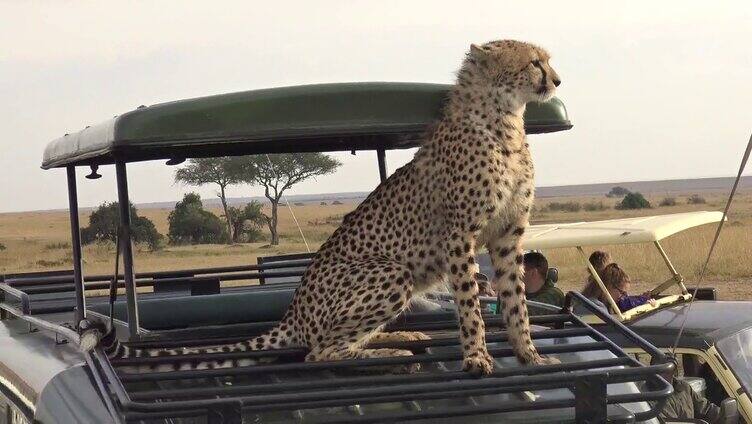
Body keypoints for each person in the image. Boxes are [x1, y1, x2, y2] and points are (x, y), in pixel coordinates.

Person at [655, 355, 722, 423]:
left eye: (667, 370)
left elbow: (706, 409)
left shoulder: (684, 387)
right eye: (659, 369)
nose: (662, 375)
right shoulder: (650, 398)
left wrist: (724, 415)